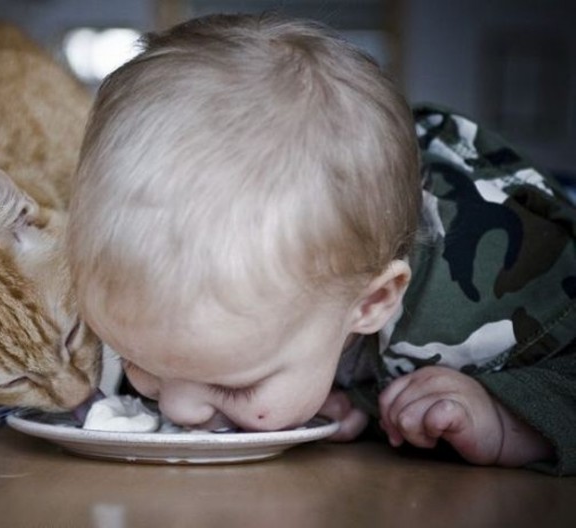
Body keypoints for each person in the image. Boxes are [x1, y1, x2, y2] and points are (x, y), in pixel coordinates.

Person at [68, 13, 576, 474]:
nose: (177, 409)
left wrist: (509, 418)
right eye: (138, 361)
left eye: (235, 387)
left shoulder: (488, 302)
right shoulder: (292, 309)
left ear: (373, 301)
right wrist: (355, 394)